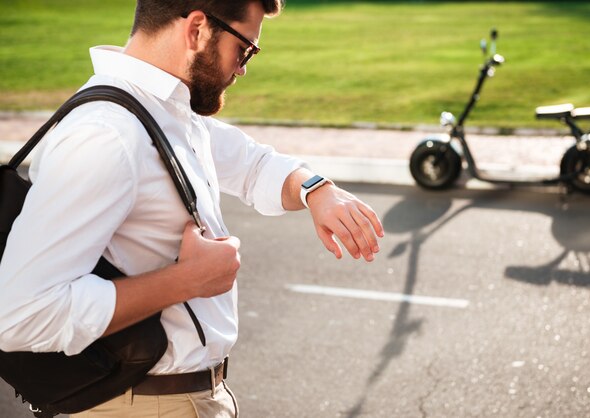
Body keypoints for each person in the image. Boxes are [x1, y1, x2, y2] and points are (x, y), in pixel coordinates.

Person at [0, 0, 384, 416]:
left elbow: (252, 165)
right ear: (198, 29)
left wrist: (316, 190)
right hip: (142, 405)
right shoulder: (109, 135)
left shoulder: (161, 110)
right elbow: (21, 313)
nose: (243, 69)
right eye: (245, 50)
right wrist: (188, 280)